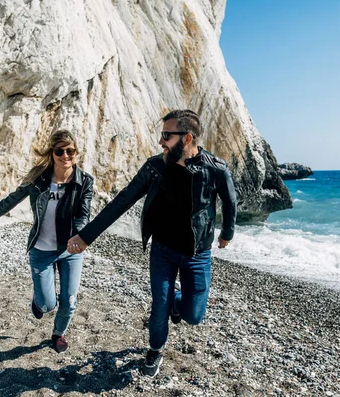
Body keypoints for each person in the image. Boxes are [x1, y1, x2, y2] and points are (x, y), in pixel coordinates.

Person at [67, 109, 237, 377]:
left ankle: (176, 302)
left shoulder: (215, 169)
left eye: (166, 136)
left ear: (188, 138)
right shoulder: (154, 168)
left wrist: (227, 232)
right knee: (159, 303)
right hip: (163, 250)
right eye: (162, 135)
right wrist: (85, 237)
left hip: (197, 253)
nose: (161, 141)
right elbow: (121, 202)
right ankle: (155, 349)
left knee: (193, 315)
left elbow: (230, 201)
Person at [0, 130, 93, 353]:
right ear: (52, 154)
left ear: (76, 153)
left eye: (70, 151)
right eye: (59, 151)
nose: (65, 156)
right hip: (41, 249)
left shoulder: (84, 181)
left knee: (69, 300)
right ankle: (39, 299)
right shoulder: (38, 178)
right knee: (47, 305)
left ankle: (58, 334)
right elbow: (9, 202)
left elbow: (83, 214)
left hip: (70, 250)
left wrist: (79, 238)